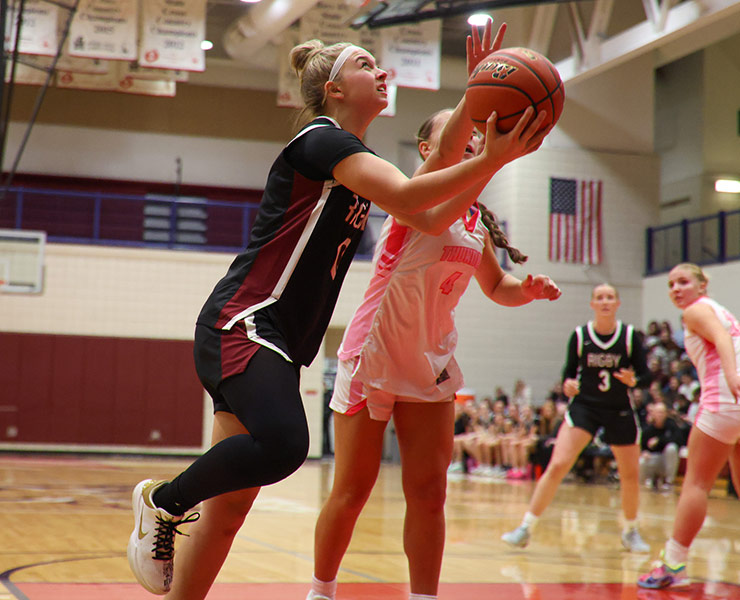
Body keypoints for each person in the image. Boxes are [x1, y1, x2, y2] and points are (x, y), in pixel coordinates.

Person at [126, 26, 552, 598]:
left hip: (279, 340)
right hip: (248, 320)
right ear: (334, 89)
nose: (382, 72)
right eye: (366, 65)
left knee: (228, 512)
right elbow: (412, 195)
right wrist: (493, 160)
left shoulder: (357, 163)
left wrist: (474, 102)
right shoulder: (321, 141)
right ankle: (163, 500)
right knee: (285, 446)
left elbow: (430, 209)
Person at [305, 32, 561, 600]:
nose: (474, 143)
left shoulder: (474, 224)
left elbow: (496, 287)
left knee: (429, 494)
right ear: (429, 149)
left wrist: (528, 290)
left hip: (430, 362)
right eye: (464, 137)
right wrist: (478, 100)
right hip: (374, 353)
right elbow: (446, 168)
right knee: (352, 491)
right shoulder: (413, 199)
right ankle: (320, 591)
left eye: (478, 140)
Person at [501, 283, 653, 553]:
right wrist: (568, 385)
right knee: (558, 465)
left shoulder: (630, 336)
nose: (605, 301)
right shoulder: (580, 335)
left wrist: (635, 380)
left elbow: (646, 376)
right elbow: (568, 374)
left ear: (617, 303)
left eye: (610, 297)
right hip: (585, 407)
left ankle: (631, 531)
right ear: (592, 304)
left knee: (629, 474)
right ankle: (525, 528)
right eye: (599, 297)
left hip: (618, 408)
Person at [638, 263, 740, 589]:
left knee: (696, 483)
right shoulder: (721, 310)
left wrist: (732, 375)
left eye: (683, 282)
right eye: (671, 284)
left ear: (702, 284)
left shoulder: (695, 311)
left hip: (724, 399)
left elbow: (721, 339)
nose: (676, 289)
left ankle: (673, 564)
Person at [639, 400, 684, 492]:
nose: (660, 415)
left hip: (667, 460)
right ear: (653, 414)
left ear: (666, 414)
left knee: (671, 448)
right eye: (658, 412)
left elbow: (679, 441)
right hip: (655, 459)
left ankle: (669, 482)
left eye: (662, 412)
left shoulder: (672, 425)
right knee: (642, 460)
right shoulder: (648, 429)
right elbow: (642, 446)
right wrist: (644, 452)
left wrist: (659, 440)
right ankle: (645, 481)